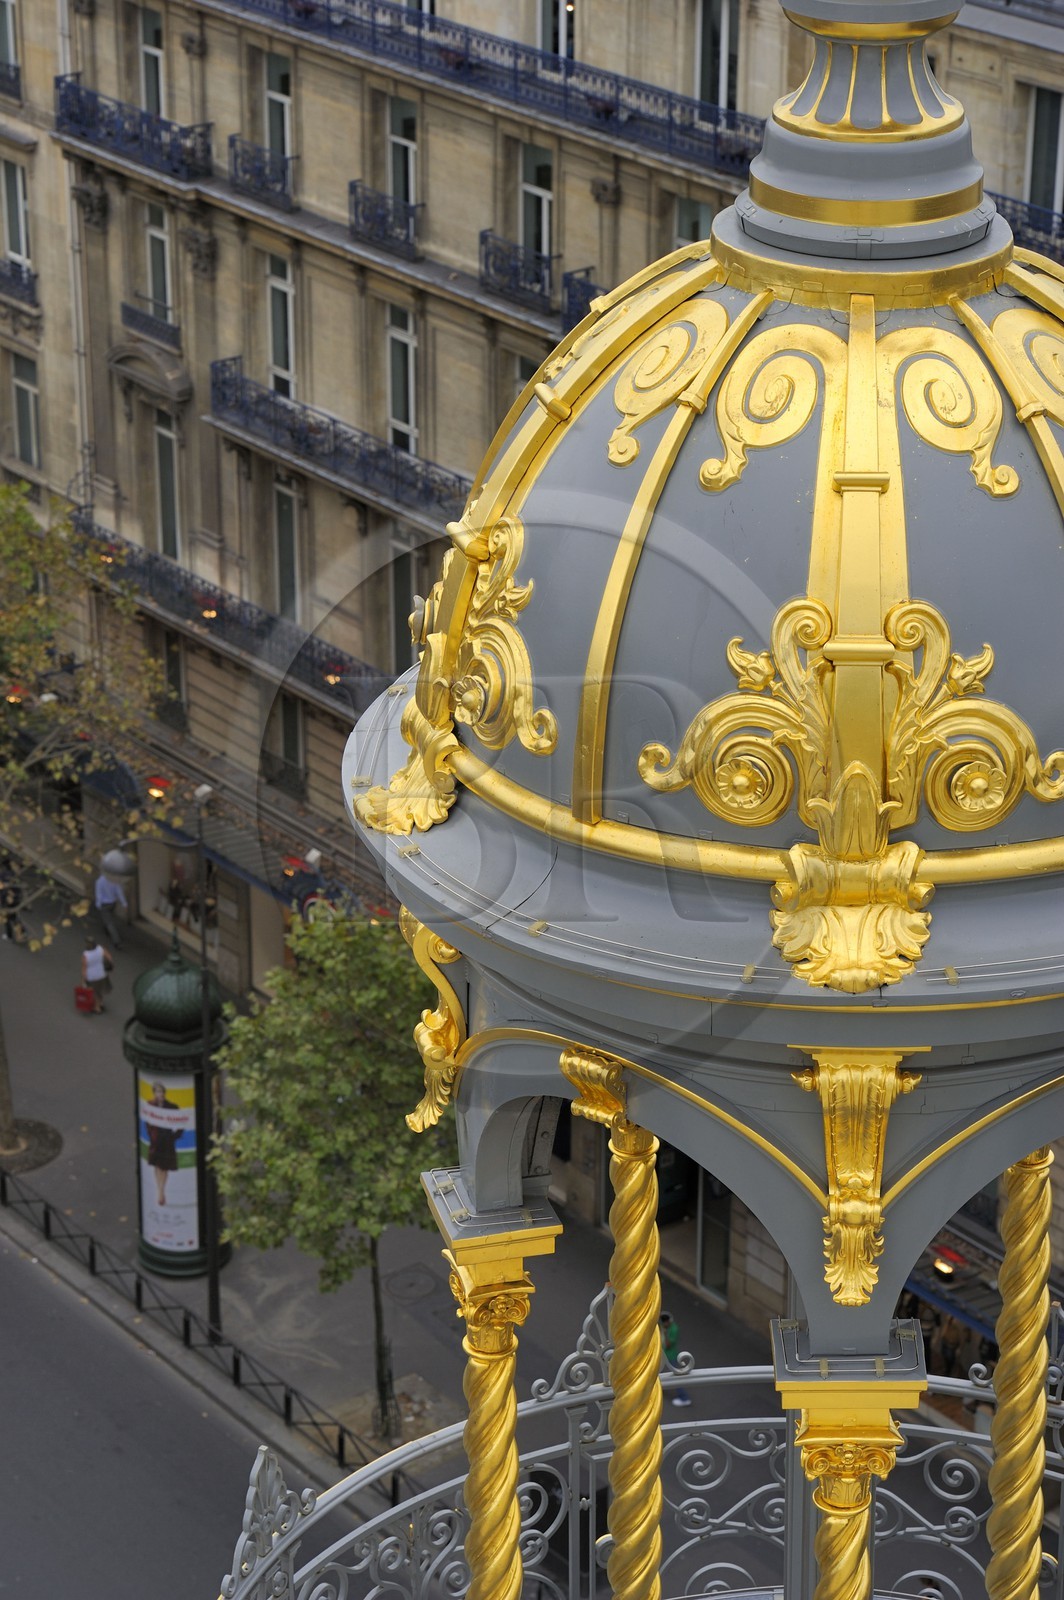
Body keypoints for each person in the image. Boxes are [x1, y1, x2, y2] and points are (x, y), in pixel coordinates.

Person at [145, 1081, 179, 1206]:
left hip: (167, 1140)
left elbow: (180, 1123)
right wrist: (151, 1135)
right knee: (157, 1165)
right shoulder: (150, 1104)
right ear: (154, 1093)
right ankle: (161, 1192)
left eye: (162, 1092)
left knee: (164, 1166)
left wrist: (174, 1137)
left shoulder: (172, 1106)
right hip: (156, 1140)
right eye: (158, 1092)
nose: (160, 1094)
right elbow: (147, 1121)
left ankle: (160, 1192)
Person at [661, 1311, 691, 1406]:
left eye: (666, 1322)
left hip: (671, 1356)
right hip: (662, 1354)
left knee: (676, 1377)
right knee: (656, 1373)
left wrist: (665, 1333)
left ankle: (684, 1398)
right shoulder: (662, 1326)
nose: (664, 1324)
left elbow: (669, 1345)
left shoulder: (674, 1329)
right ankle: (658, 1388)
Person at [94, 870, 127, 950]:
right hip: (112, 903)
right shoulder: (114, 880)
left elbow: (99, 894)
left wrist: (98, 904)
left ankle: (117, 942)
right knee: (108, 917)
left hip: (104, 905)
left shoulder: (99, 881)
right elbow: (119, 892)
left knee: (109, 922)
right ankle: (106, 928)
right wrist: (124, 903)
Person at [81, 933, 113, 1014]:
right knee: (100, 990)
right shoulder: (100, 949)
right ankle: (100, 1003)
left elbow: (84, 968)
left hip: (92, 976)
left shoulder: (86, 954)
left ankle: (97, 1008)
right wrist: (109, 965)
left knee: (94, 992)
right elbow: (109, 957)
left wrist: (84, 980)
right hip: (102, 974)